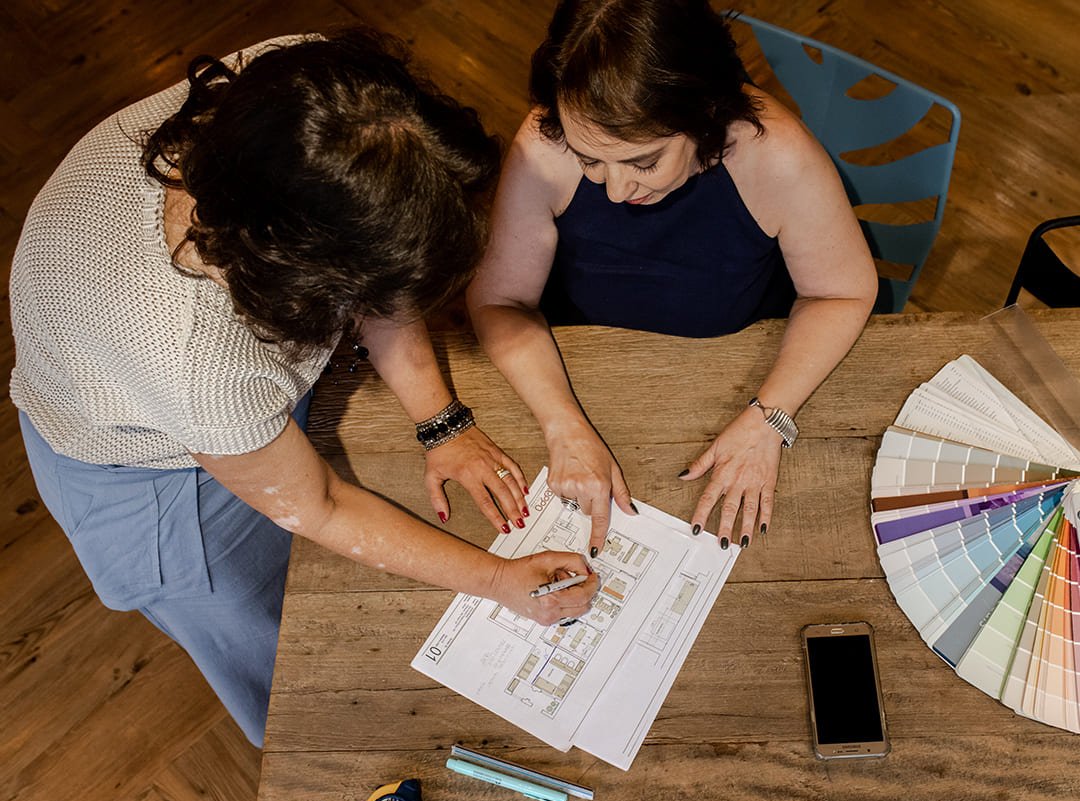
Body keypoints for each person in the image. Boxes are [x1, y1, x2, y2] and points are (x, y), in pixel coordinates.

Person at [9, 29, 597, 747]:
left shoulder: (317, 94)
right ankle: (321, 757)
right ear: (309, 279)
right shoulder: (203, 363)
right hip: (141, 469)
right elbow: (315, 506)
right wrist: (501, 580)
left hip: (185, 364)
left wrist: (442, 421)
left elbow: (375, 255)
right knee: (284, 659)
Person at [466, 0, 877, 557]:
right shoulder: (546, 142)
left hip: (737, 366)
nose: (614, 191)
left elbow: (842, 290)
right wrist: (561, 423)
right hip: (582, 366)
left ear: (704, 113)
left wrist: (770, 418)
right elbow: (500, 299)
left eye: (643, 162)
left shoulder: (775, 154)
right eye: (590, 161)